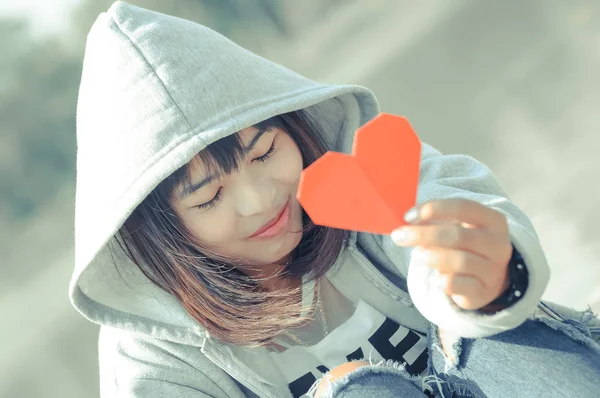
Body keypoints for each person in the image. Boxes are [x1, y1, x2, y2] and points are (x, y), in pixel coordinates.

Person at [69, 2, 600, 397]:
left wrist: (478, 280)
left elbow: (448, 203)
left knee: (495, 330)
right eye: (208, 197)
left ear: (294, 127)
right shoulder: (154, 358)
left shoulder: (364, 174)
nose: (259, 201)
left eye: (264, 152)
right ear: (160, 233)